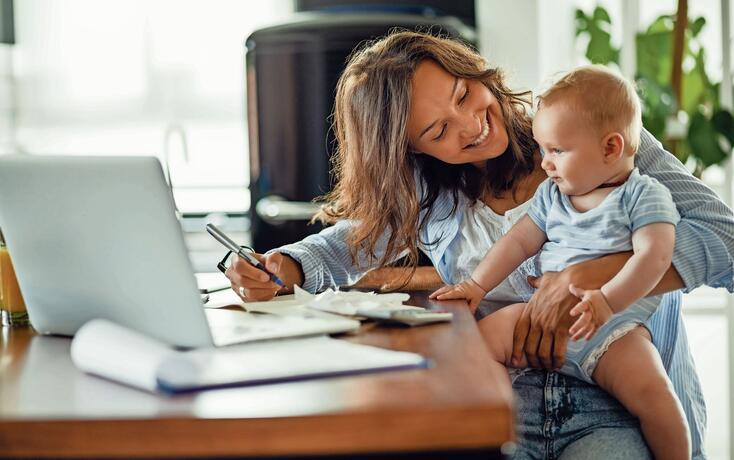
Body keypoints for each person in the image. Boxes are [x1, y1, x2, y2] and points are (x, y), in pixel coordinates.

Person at [225, 31, 734, 459]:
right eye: (439, 129)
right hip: (502, 398)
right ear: (410, 149)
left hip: (618, 394)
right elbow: (346, 244)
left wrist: (586, 276)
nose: (471, 124)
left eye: (464, 93)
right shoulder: (428, 190)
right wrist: (282, 266)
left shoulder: (590, 129)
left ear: (473, 70)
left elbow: (726, 241)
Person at [430, 65, 689, 459]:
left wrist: (608, 301)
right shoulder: (553, 195)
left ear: (610, 148)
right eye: (543, 149)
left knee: (656, 396)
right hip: (538, 316)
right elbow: (518, 242)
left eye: (558, 151)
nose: (545, 163)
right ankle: (504, 422)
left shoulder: (644, 197)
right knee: (476, 344)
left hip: (613, 331)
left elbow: (655, 258)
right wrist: (477, 285)